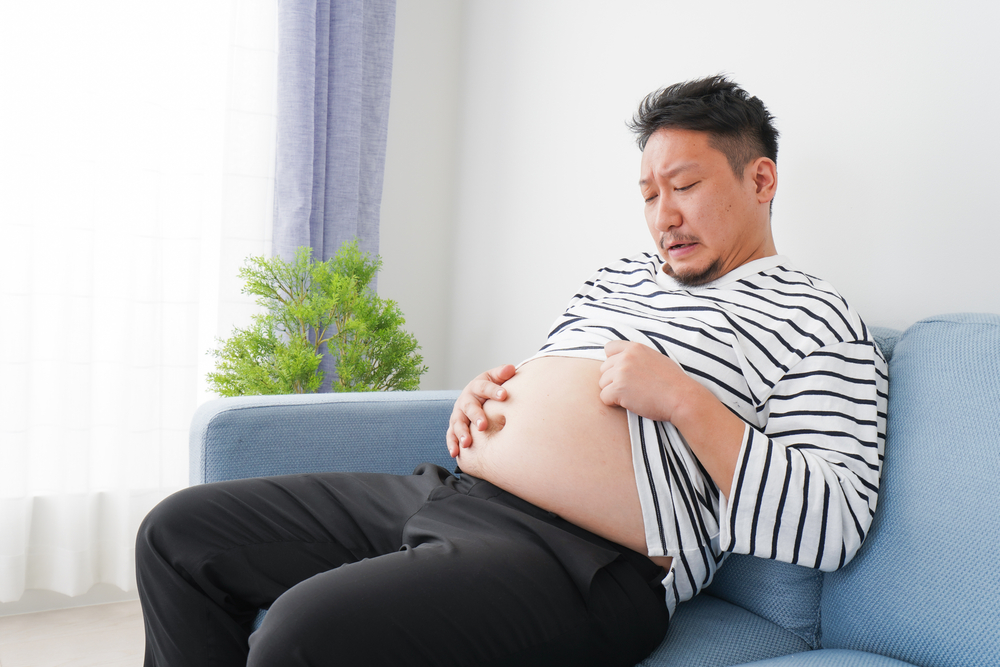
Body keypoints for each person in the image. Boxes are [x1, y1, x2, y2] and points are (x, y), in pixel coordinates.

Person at [136, 75, 887, 667]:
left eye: (684, 185)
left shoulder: (816, 320)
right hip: (454, 493)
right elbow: (549, 389)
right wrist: (485, 400)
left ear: (761, 181)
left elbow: (835, 524)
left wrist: (686, 401)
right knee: (177, 534)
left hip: (584, 564)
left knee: (301, 635)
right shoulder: (619, 277)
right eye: (649, 194)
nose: (663, 215)